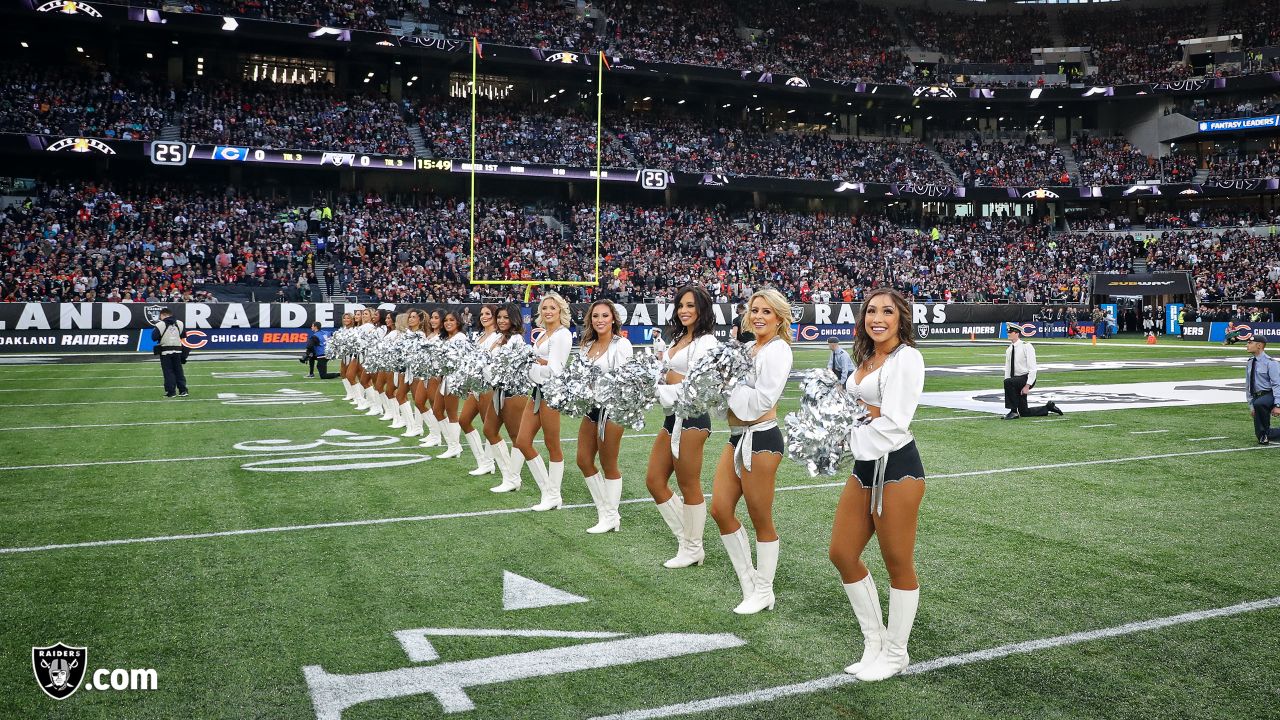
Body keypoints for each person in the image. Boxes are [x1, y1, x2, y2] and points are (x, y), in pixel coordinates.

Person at [827, 288, 924, 682]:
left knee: (897, 563)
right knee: (842, 552)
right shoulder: (867, 357)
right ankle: (874, 641)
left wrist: (843, 439)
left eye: (887, 311)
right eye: (871, 311)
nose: (877, 318)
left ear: (901, 317)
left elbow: (895, 420)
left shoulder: (908, 358)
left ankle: (897, 652)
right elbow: (857, 408)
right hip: (866, 465)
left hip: (897, 467)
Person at [711, 288, 794, 615]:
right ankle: (750, 582)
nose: (759, 316)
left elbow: (761, 401)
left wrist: (728, 386)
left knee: (761, 519)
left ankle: (764, 590)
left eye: (767, 312)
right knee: (719, 508)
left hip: (761, 440)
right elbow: (724, 402)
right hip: (736, 438)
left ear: (779, 318)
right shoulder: (746, 347)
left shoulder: (778, 350)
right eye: (755, 310)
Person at [649, 285, 720, 569]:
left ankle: (692, 547)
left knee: (689, 485)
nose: (684, 310)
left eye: (690, 306)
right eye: (680, 305)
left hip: (691, 418)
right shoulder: (679, 337)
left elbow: (699, 387)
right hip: (672, 416)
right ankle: (689, 540)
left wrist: (666, 380)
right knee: (654, 481)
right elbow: (670, 374)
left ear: (702, 309)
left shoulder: (707, 342)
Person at [577, 300, 634, 534]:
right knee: (583, 459)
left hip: (613, 409)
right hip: (591, 409)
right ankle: (606, 511)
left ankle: (610, 516)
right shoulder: (586, 345)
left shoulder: (622, 345)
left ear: (613, 319)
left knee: (608, 463)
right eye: (596, 316)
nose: (600, 320)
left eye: (605, 316)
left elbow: (626, 380)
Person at [515, 293, 573, 511]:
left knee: (552, 445)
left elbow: (555, 371)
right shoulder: (542, 335)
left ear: (560, 311)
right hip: (537, 390)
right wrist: (536, 363)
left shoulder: (562, 334)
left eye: (553, 308)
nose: (548, 311)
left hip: (551, 392)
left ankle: (552, 495)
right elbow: (542, 362)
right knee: (522, 441)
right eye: (545, 308)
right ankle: (549, 492)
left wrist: (530, 366)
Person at [486, 304, 529, 493]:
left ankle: (513, 478)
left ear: (514, 319)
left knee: (516, 437)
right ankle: (508, 474)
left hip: (513, 392)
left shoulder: (517, 339)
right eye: (500, 317)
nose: (502, 321)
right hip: (498, 390)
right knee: (489, 430)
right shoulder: (498, 337)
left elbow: (510, 367)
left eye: (506, 317)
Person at [1002, 324, 1062, 419]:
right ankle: (1048, 407)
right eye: (1008, 332)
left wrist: (1027, 385)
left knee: (1008, 382)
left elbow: (1033, 368)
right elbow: (1008, 369)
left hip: (1026, 378)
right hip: (1015, 381)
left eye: (1010, 332)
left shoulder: (1026, 346)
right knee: (1024, 412)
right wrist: (1008, 385)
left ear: (1017, 333)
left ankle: (1013, 411)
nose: (1008, 334)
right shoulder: (1009, 350)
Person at [1244, 336, 1280, 444]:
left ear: (1259, 345)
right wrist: (1251, 405)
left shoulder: (1271, 363)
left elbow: (1277, 384)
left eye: (1250, 343)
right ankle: (1265, 434)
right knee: (1262, 435)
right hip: (1257, 397)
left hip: (1269, 394)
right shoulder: (1250, 362)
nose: (1247, 345)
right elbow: (1248, 385)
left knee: (1260, 403)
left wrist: (1278, 405)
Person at [151, 307, 188, 398]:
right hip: (178, 350)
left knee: (168, 372)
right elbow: (183, 336)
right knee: (179, 371)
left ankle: (171, 392)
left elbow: (154, 337)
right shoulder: (180, 323)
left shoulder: (160, 324)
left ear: (163, 315)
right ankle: (183, 391)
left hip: (165, 351)